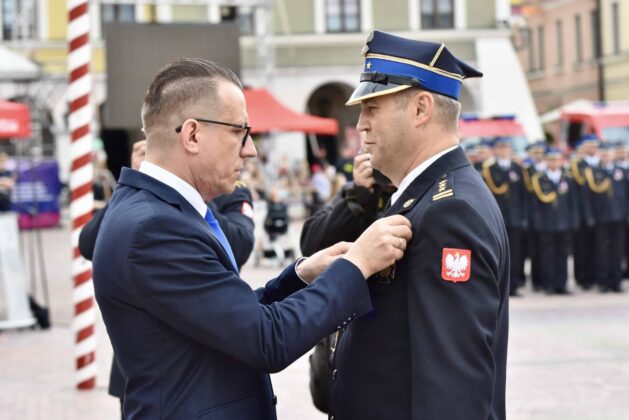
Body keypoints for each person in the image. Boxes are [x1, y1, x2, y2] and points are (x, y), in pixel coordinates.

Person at [91, 58, 412, 419]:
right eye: (238, 131)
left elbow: (227, 315)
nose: (250, 149)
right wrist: (357, 264)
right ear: (193, 134)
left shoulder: (157, 213)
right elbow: (266, 340)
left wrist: (301, 276)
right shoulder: (154, 228)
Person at [327, 30, 510, 420]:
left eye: (372, 107)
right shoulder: (423, 196)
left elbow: (453, 389)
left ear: (420, 109)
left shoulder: (449, 210)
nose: (360, 125)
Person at [79, 139, 257, 418]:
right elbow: (89, 243)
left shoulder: (232, 191)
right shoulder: (139, 198)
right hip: (144, 367)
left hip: (201, 352)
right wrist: (140, 183)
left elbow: (240, 244)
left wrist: (188, 198)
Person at [300, 150, 396, 413]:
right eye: (366, 150)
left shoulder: (412, 195)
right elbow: (310, 244)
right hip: (341, 334)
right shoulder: (355, 194)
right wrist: (358, 196)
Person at [480, 137, 528, 296]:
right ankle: (497, 286)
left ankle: (513, 286)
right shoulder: (489, 169)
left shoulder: (517, 168)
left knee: (515, 253)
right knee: (497, 253)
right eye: (501, 147)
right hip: (497, 217)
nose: (504, 150)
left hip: (514, 218)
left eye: (507, 147)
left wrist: (523, 216)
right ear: (495, 150)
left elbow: (523, 195)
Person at [529, 148, 579, 294]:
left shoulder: (567, 178)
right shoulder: (539, 179)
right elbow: (534, 205)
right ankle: (549, 284)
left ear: (561, 161)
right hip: (547, 224)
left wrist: (573, 220)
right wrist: (537, 222)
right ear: (546, 161)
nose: (554, 163)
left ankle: (562, 284)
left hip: (564, 223)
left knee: (562, 255)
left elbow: (573, 202)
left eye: (557, 159)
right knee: (548, 255)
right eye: (551, 160)